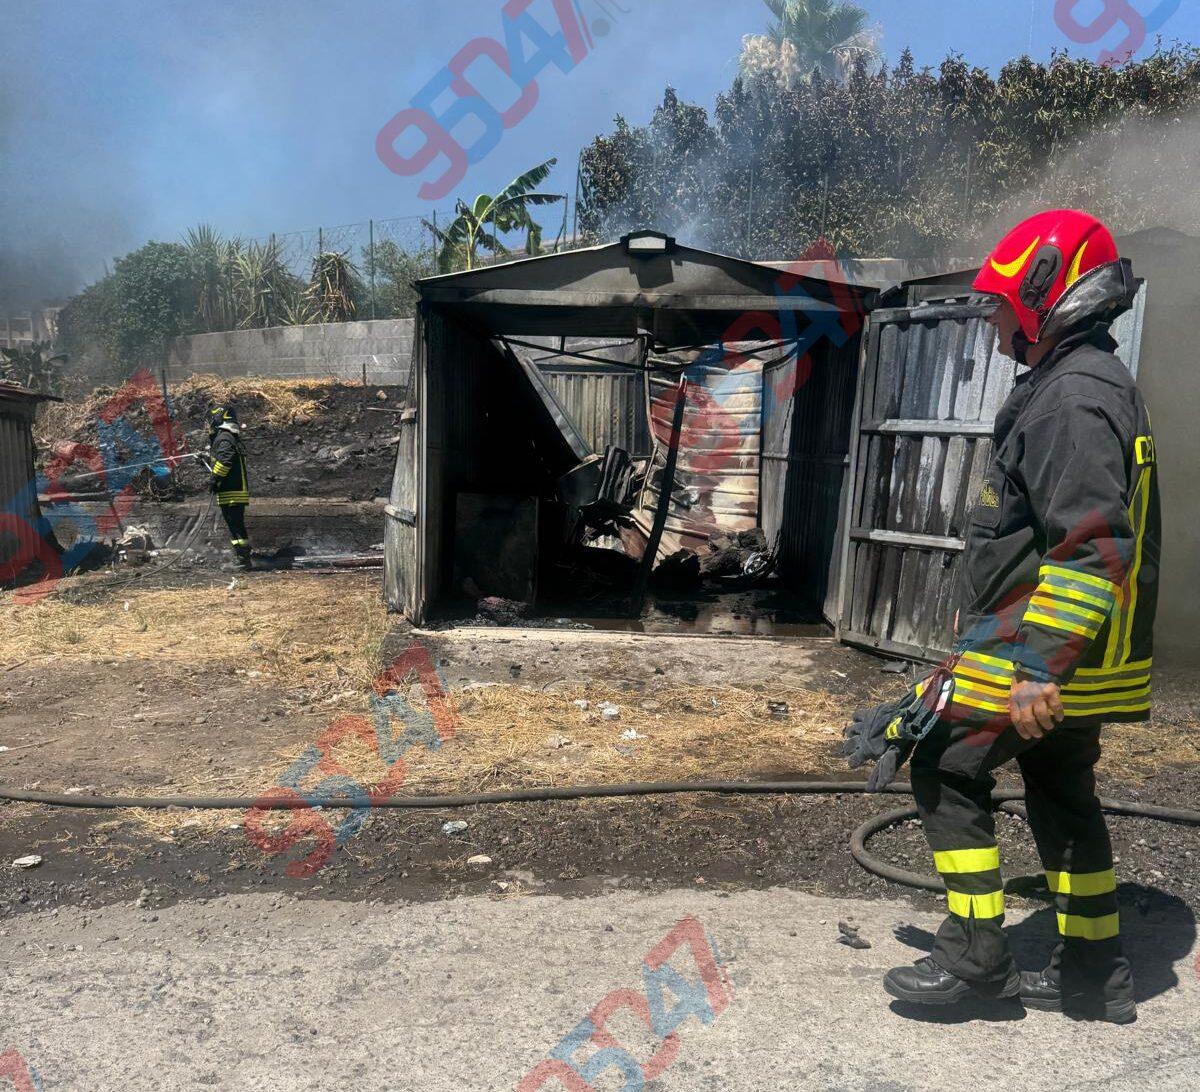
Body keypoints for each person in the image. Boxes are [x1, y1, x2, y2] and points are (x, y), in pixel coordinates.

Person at [881, 210, 1159, 1024]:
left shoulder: (1071, 397)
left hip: (1044, 647)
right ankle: (1094, 974)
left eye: (1001, 305)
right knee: (1061, 789)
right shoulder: (1088, 381)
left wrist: (1037, 668)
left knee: (945, 764)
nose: (992, 322)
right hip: (1080, 648)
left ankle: (976, 961)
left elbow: (1090, 545)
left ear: (1047, 295)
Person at [206, 403, 252, 571]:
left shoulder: (224, 438)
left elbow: (225, 461)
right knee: (235, 526)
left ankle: (243, 560)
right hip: (234, 490)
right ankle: (242, 557)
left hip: (231, 491)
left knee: (236, 526)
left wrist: (214, 479)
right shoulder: (230, 436)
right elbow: (223, 461)